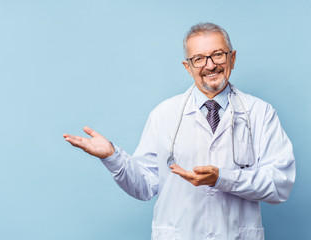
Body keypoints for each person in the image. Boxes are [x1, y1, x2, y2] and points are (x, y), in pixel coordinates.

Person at [63, 22, 295, 240]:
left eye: (218, 54)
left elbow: (280, 184)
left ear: (232, 58)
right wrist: (112, 156)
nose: (210, 65)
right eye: (199, 59)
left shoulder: (260, 113)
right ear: (188, 67)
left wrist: (222, 178)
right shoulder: (164, 114)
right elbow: (144, 186)